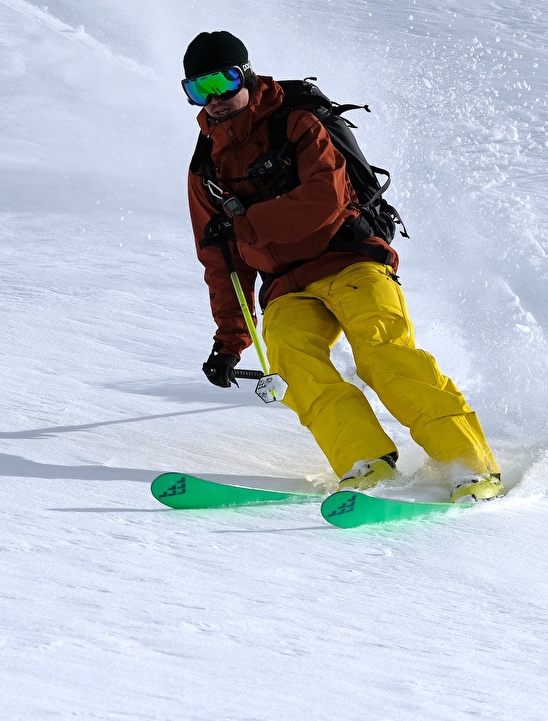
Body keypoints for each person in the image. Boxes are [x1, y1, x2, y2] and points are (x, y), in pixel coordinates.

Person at [182, 31, 504, 501]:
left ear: (246, 77)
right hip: (286, 288)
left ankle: (472, 467)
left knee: (384, 356)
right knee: (294, 364)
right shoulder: (205, 167)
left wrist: (248, 224)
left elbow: (324, 200)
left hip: (351, 261)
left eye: (224, 83)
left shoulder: (296, 124)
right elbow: (220, 260)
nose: (216, 101)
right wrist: (231, 340)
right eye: (199, 90)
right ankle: (365, 461)